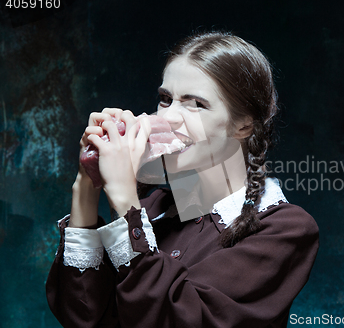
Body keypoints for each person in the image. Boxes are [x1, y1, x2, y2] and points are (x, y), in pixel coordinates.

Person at [46, 31, 319, 328]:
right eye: (165, 99)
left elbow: (180, 320)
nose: (169, 117)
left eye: (196, 104)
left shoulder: (284, 229)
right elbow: (84, 318)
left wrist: (126, 202)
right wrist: (86, 185)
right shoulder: (150, 210)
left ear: (243, 126)